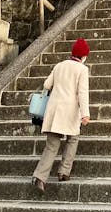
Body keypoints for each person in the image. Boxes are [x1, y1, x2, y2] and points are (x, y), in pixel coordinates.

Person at [31, 37, 91, 192]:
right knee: (73, 139)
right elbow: (82, 93)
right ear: (83, 56)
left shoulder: (59, 66)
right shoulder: (82, 70)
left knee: (51, 146)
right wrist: (85, 114)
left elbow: (46, 85)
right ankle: (64, 172)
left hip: (54, 110)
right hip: (70, 111)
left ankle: (39, 176)